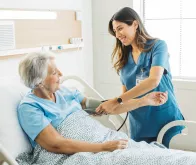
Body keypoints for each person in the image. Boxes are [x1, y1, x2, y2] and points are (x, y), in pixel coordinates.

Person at [17, 51, 168, 154]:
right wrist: (102, 147)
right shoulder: (30, 108)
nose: (61, 74)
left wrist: (144, 100)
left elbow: (107, 107)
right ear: (39, 81)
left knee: (155, 155)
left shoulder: (65, 92)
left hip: (101, 141)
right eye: (55, 72)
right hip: (75, 154)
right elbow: (55, 144)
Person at [96, 7, 184, 148]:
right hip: (139, 127)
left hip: (165, 121)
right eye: (115, 31)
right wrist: (107, 108)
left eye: (120, 28)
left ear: (135, 25)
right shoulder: (123, 60)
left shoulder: (158, 46)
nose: (117, 34)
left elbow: (153, 81)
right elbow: (125, 102)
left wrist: (116, 100)